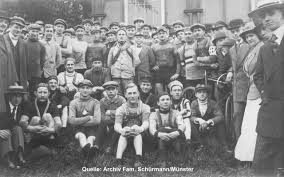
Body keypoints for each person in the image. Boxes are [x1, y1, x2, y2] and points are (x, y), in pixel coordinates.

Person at [250, 0, 284, 176]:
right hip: (270, 112)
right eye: (263, 16)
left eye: (271, 13)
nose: (266, 19)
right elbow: (257, 76)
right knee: (262, 165)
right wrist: (266, 95)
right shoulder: (265, 47)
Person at [234, 22, 264, 164]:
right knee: (249, 124)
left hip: (261, 91)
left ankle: (258, 156)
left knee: (256, 124)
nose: (250, 39)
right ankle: (248, 156)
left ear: (258, 34)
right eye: (247, 37)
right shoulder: (252, 50)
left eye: (251, 35)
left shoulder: (263, 47)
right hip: (251, 91)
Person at [114, 83, 150, 167]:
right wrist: (121, 130)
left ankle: (138, 158)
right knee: (123, 134)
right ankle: (118, 159)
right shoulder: (121, 109)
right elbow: (117, 124)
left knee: (137, 134)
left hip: (141, 134)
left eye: (134, 93)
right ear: (125, 95)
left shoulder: (145, 107)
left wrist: (140, 128)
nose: (132, 96)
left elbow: (146, 122)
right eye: (130, 93)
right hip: (125, 133)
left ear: (138, 94)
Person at [68, 79, 102, 162]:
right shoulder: (73, 103)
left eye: (88, 88)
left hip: (92, 128)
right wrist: (88, 118)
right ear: (79, 89)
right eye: (83, 88)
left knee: (91, 138)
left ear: (91, 89)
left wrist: (78, 122)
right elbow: (71, 120)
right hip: (78, 129)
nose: (85, 90)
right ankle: (88, 153)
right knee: (81, 136)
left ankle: (86, 153)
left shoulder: (95, 102)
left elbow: (97, 121)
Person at [149, 92, 185, 167]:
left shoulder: (176, 113)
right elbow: (151, 128)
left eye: (167, 99)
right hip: (159, 139)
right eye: (162, 100)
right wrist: (159, 134)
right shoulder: (153, 114)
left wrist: (177, 132)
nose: (165, 102)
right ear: (158, 103)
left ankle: (178, 158)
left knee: (175, 132)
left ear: (171, 102)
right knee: (162, 130)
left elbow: (182, 125)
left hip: (174, 137)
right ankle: (162, 159)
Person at [0, 16, 28, 114]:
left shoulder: (23, 42)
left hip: (20, 75)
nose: (18, 30)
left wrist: (26, 78)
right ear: (10, 26)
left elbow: (26, 62)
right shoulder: (3, 39)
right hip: (6, 73)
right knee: (5, 97)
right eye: (16, 27)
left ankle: (16, 118)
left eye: (20, 28)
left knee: (18, 98)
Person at [20, 83, 61, 149]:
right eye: (40, 92)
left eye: (45, 92)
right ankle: (30, 143)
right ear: (35, 93)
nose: (42, 95)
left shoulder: (53, 104)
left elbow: (59, 122)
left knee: (47, 116)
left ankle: (50, 141)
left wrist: (50, 130)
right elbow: (22, 121)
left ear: (49, 93)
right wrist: (32, 128)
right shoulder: (30, 104)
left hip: (48, 132)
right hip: (34, 132)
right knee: (35, 118)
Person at [190, 84, 228, 152]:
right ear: (196, 95)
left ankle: (224, 145)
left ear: (207, 94)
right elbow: (192, 116)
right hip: (199, 128)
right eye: (199, 92)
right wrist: (199, 120)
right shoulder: (194, 103)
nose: (202, 94)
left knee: (220, 123)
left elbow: (220, 116)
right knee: (190, 123)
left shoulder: (212, 103)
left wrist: (209, 121)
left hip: (210, 128)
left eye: (204, 92)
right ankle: (199, 144)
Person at [0, 85, 27, 168]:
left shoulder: (23, 106)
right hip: (2, 130)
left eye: (19, 96)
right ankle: (7, 158)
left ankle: (19, 156)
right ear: (9, 97)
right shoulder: (2, 106)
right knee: (6, 132)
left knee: (18, 129)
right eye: (14, 96)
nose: (17, 99)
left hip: (13, 130)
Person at [107, 29, 140, 94]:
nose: (121, 36)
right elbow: (109, 63)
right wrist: (114, 69)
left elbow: (137, 61)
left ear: (126, 36)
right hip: (116, 76)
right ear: (116, 37)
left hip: (128, 76)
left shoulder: (132, 48)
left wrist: (131, 68)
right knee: (117, 94)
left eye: (123, 34)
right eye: (119, 34)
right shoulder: (113, 49)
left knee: (130, 93)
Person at [98, 81, 126, 154]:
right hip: (107, 122)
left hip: (119, 122)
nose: (111, 92)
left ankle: (110, 146)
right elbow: (102, 115)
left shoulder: (122, 100)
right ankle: (97, 145)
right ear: (105, 91)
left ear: (117, 90)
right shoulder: (102, 101)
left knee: (116, 126)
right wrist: (106, 122)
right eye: (108, 89)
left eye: (113, 89)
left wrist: (111, 112)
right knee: (101, 124)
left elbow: (124, 114)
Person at [152, 27, 180, 95]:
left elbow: (178, 60)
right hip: (159, 71)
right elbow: (152, 59)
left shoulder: (173, 46)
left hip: (170, 71)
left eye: (164, 33)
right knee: (159, 89)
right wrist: (154, 65)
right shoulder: (154, 47)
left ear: (167, 35)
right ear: (157, 36)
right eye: (160, 33)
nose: (162, 35)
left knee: (171, 91)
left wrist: (177, 73)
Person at [25, 23, 46, 97]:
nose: (35, 33)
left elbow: (42, 61)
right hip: (24, 74)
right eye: (33, 31)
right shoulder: (23, 43)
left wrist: (39, 71)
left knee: (34, 94)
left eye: (37, 32)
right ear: (28, 32)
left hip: (36, 75)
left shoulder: (41, 45)